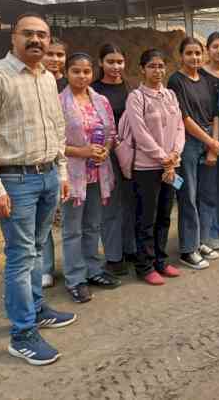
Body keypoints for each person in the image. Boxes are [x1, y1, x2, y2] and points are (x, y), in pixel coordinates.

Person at [0, 12, 75, 366]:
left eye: (42, 35)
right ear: (12, 37)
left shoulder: (48, 79)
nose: (36, 41)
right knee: (20, 255)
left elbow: (56, 129)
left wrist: (60, 172)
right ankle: (22, 333)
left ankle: (37, 308)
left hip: (45, 177)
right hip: (15, 181)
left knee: (37, 248)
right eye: (28, 34)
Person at [59, 53, 121, 303]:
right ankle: (75, 279)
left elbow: (112, 132)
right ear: (66, 73)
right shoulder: (59, 103)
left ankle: (93, 270)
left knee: (93, 225)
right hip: (72, 175)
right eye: (76, 71)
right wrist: (82, 151)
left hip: (98, 172)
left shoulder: (101, 100)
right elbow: (53, 142)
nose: (82, 76)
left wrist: (106, 148)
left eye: (86, 71)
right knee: (72, 229)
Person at [127, 49, 185, 285]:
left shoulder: (170, 95)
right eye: (152, 66)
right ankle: (145, 265)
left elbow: (180, 127)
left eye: (161, 66)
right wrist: (163, 157)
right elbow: (140, 134)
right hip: (148, 167)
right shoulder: (137, 97)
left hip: (171, 165)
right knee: (146, 218)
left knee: (164, 215)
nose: (157, 71)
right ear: (142, 69)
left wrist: (175, 154)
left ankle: (161, 260)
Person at [167, 37, 219, 269]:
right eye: (189, 53)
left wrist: (214, 145)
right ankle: (188, 249)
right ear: (181, 55)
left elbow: (216, 114)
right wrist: (210, 141)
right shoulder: (176, 81)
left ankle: (202, 240)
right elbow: (184, 117)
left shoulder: (207, 81)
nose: (195, 57)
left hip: (209, 139)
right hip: (188, 141)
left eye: (198, 53)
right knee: (187, 195)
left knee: (207, 195)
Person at [91, 44, 136, 278]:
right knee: (110, 205)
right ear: (101, 63)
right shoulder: (93, 90)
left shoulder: (130, 89)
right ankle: (113, 256)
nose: (116, 66)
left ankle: (131, 249)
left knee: (130, 203)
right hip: (106, 154)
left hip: (130, 154)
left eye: (119, 62)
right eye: (110, 61)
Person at [40, 36, 68, 288]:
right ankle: (45, 267)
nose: (54, 59)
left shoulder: (71, 84)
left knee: (70, 217)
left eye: (59, 55)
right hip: (44, 157)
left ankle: (73, 264)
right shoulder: (34, 83)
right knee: (44, 220)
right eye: (50, 54)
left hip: (70, 158)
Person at [200, 32, 219, 249]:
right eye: (215, 47)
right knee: (209, 188)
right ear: (208, 50)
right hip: (209, 136)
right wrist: (212, 142)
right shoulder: (200, 75)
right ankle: (208, 232)